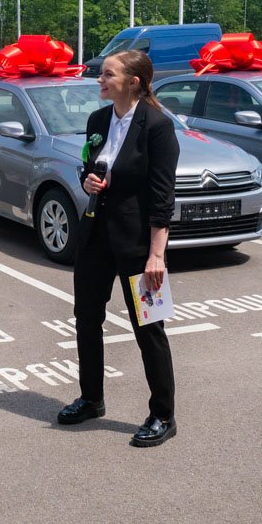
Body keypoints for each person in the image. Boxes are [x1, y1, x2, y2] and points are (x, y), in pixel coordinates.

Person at [57, 50, 180, 448]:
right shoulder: (98, 120)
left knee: (149, 327)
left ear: (133, 82)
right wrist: (88, 180)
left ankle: (163, 415)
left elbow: (162, 196)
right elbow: (90, 165)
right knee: (86, 318)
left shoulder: (157, 126)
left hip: (137, 243)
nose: (100, 80)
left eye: (108, 74)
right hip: (95, 235)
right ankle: (91, 398)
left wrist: (156, 255)